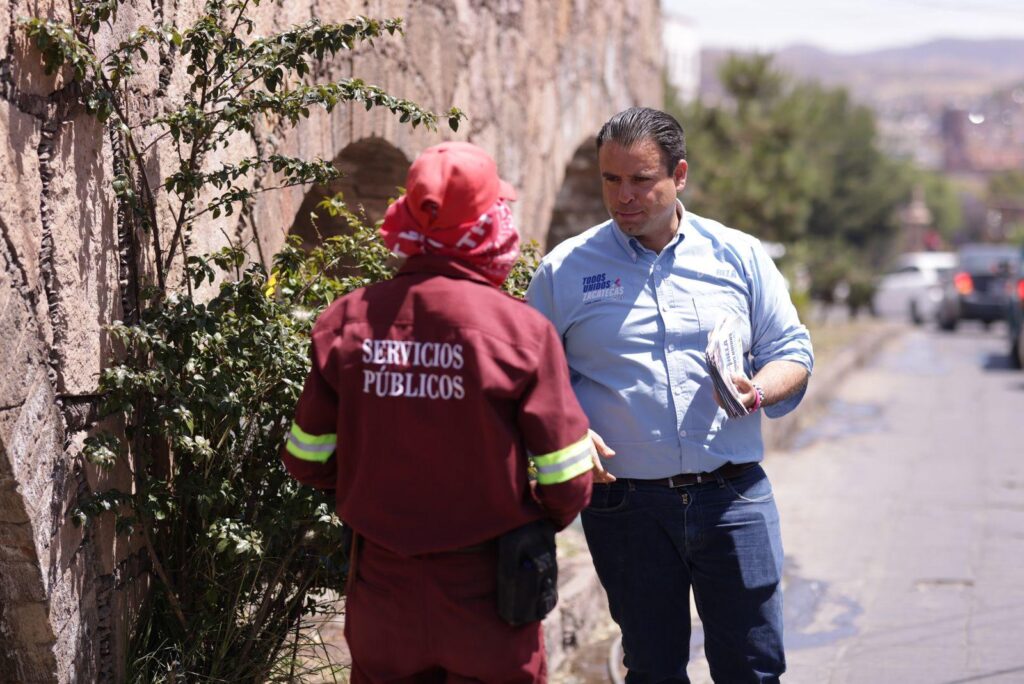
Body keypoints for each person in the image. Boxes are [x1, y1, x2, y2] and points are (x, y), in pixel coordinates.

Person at [283, 141, 594, 683]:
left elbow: (306, 457)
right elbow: (568, 478)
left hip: (381, 583)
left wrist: (370, 491)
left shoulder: (346, 321)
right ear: (490, 222)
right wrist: (534, 516)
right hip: (491, 588)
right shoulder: (521, 333)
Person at [526, 107, 814, 683]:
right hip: (625, 509)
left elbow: (794, 353)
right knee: (653, 669)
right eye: (612, 180)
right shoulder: (566, 270)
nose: (623, 196)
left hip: (733, 498)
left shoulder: (738, 255)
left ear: (678, 175)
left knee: (753, 668)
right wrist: (568, 429)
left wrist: (756, 391)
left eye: (641, 180)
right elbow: (530, 375)